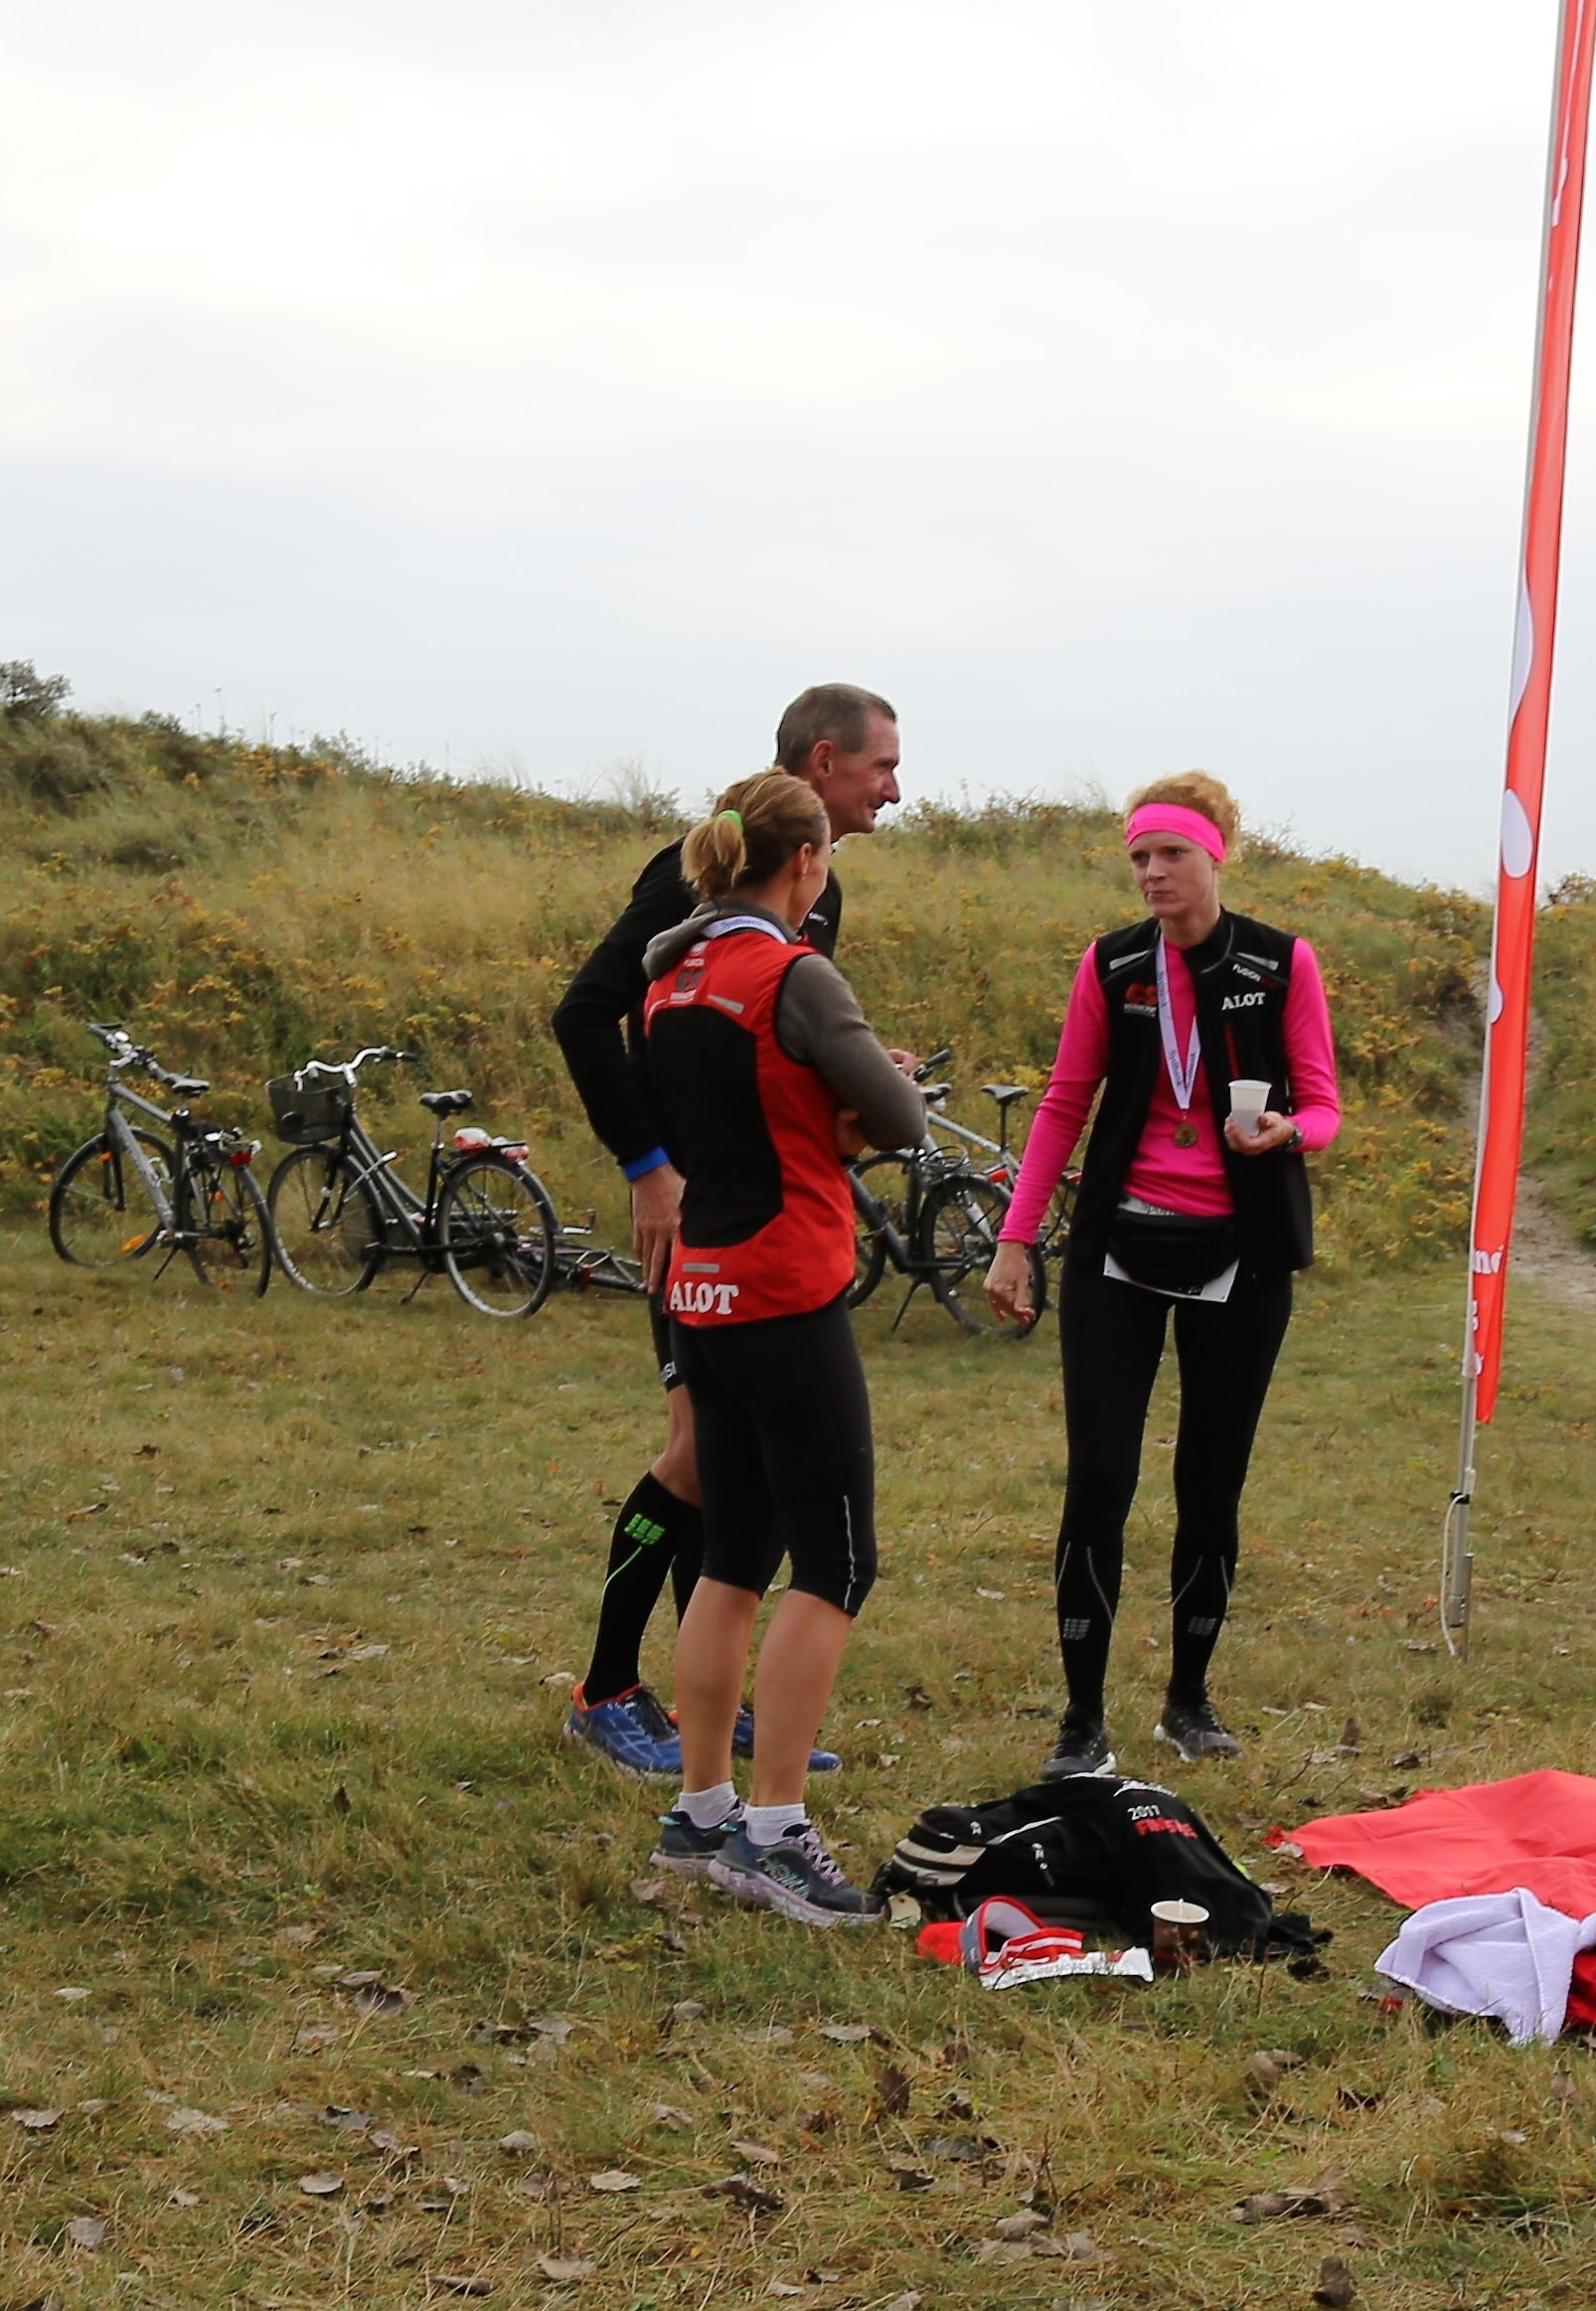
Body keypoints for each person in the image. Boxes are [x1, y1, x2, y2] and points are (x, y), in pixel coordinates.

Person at [548, 685, 903, 1776]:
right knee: (699, 1455)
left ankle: (715, 1704)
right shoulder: (701, 872)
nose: (895, 789)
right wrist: (648, 1166)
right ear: (824, 764)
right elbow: (584, 1011)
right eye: (883, 766)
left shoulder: (812, 899)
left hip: (766, 1217)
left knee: (737, 1460)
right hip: (705, 1221)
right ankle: (608, 1689)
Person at [983, 773, 1340, 1776]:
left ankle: (1189, 1700)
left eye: (1171, 853)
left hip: (1241, 1253)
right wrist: (1015, 1239)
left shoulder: (1279, 961)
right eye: (1138, 856)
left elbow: (1323, 1106)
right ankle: (1081, 1721)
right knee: (1099, 1480)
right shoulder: (1112, 964)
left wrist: (1285, 1132)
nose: (1151, 872)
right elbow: (1064, 1102)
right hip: (1119, 1249)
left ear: (1214, 855)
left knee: (1210, 1484)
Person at [636, 774, 925, 1924]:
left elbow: (735, 1115)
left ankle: (699, 1810)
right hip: (786, 1290)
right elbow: (899, 1122)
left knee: (731, 1559)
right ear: (805, 861)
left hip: (701, 1287)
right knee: (836, 1566)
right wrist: (865, 1105)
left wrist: (824, 1112)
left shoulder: (668, 977)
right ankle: (772, 1831)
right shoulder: (795, 973)